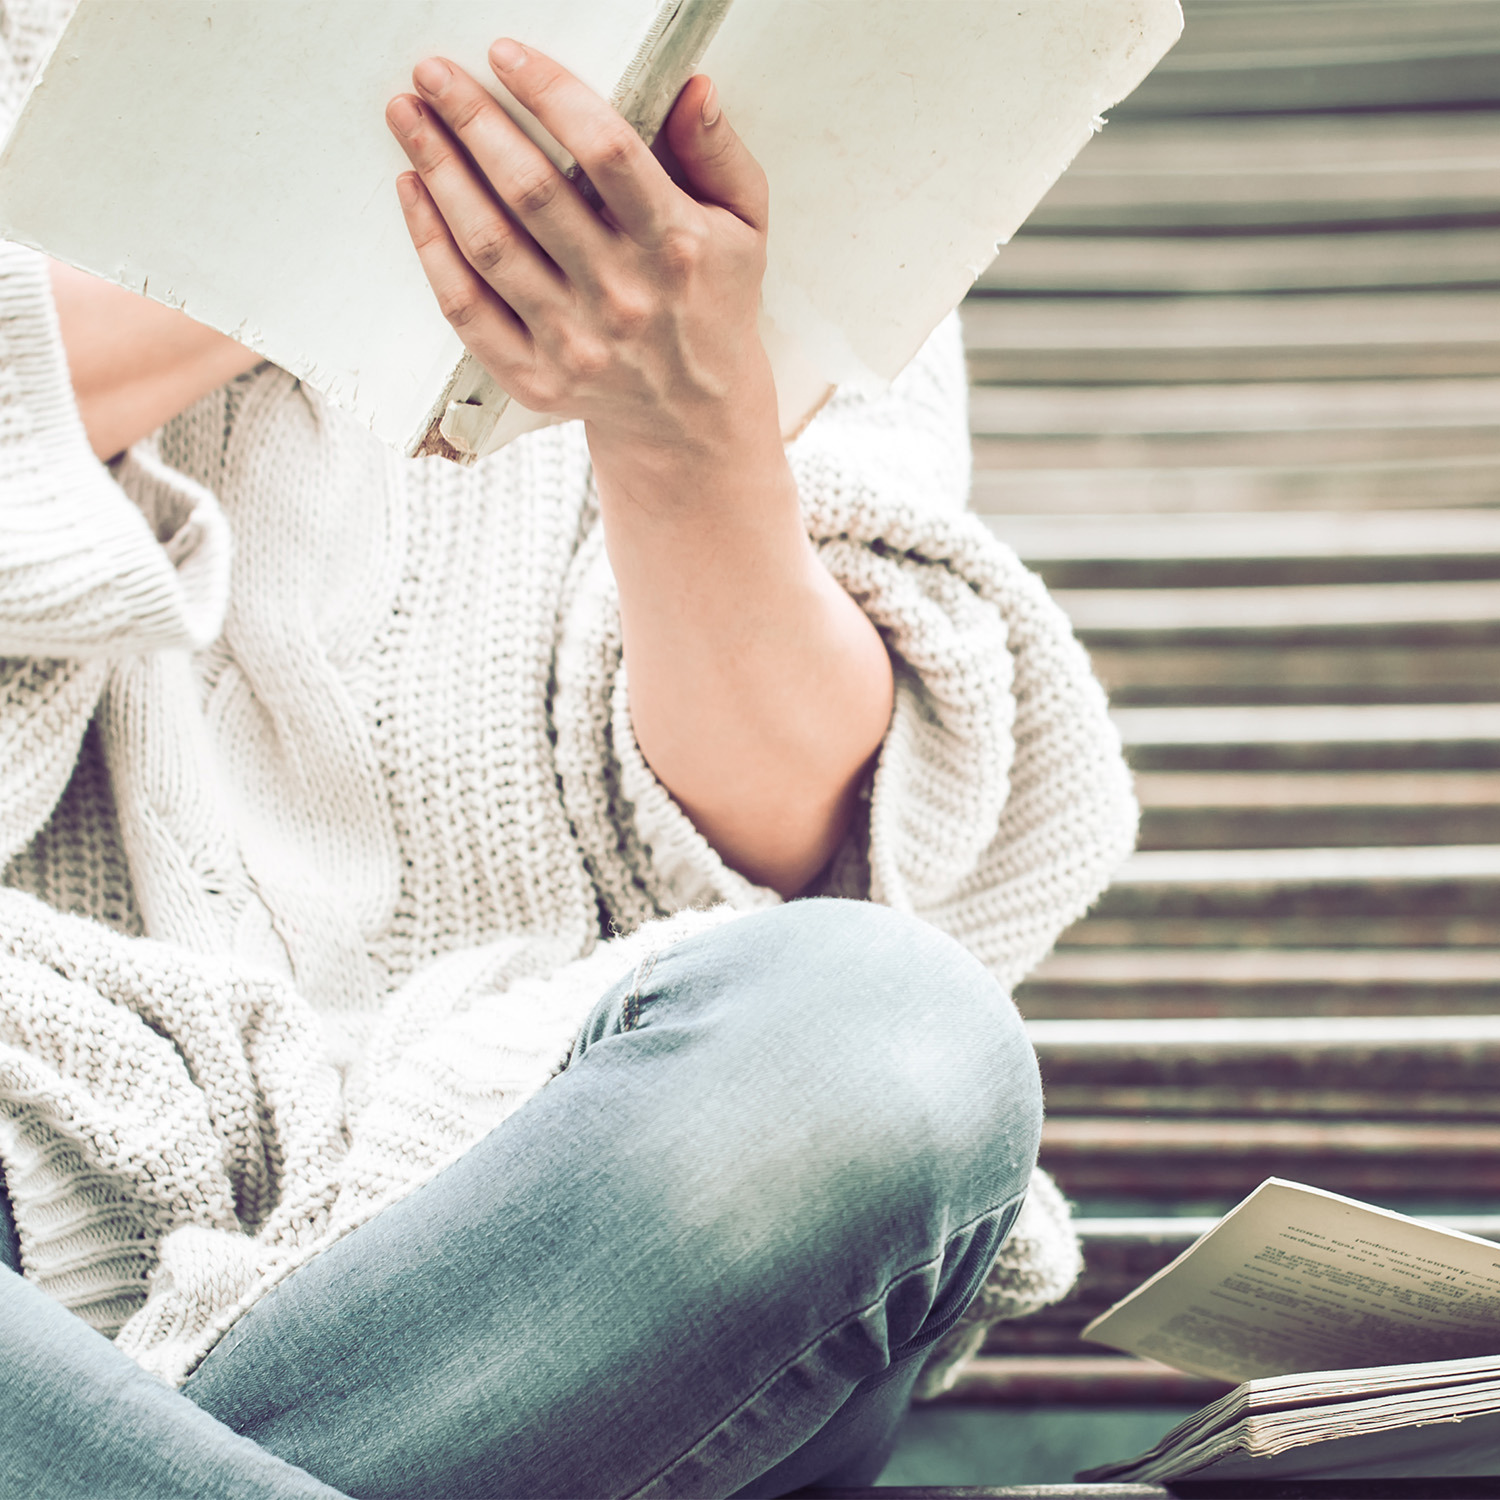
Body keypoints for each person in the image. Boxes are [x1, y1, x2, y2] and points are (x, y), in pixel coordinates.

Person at [0, 2, 1137, 1495]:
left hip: (577, 1230)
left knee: (892, 1044)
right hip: (42, 1121)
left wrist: (683, 428)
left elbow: (814, 858)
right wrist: (354, 195)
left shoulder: (765, 118)